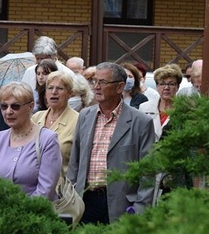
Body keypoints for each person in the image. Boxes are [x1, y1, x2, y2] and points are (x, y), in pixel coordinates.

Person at [67, 62, 156, 224]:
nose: (96, 87)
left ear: (120, 87)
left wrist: (140, 209)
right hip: (85, 200)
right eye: (94, 81)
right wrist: (71, 196)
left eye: (103, 82)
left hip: (121, 204)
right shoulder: (85, 116)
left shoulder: (141, 122)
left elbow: (148, 172)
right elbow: (75, 162)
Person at [0, 82, 61, 200]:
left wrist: (18, 212)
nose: (8, 112)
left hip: (36, 214)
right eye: (4, 106)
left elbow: (46, 190)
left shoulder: (47, 139)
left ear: (30, 107)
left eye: (15, 106)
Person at [32, 71, 79, 180]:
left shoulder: (78, 120)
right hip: (32, 187)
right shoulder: (36, 118)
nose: (54, 92)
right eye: (50, 88)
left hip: (61, 189)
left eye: (60, 88)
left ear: (70, 93)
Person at [139, 64, 183, 141]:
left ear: (178, 86)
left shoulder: (184, 110)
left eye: (171, 84)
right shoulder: (144, 108)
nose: (166, 88)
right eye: (162, 84)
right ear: (157, 86)